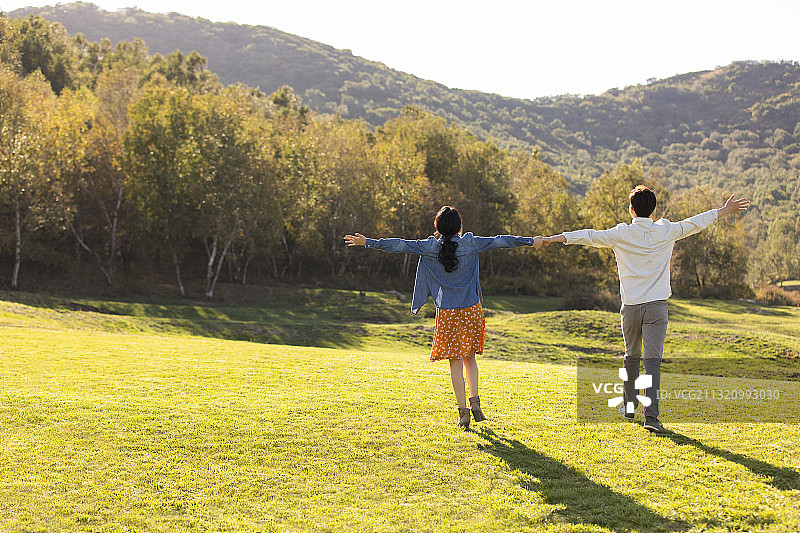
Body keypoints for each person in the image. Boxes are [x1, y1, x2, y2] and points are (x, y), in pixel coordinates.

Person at [540, 187, 749, 433]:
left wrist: (554, 238)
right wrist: (725, 210)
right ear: (654, 210)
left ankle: (629, 407)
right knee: (652, 363)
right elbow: (696, 223)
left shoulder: (621, 234)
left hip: (630, 307)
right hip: (657, 308)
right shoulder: (666, 230)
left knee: (631, 356)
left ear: (631, 209)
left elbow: (588, 235)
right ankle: (651, 418)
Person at [344, 206, 543, 429]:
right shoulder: (470, 243)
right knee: (470, 358)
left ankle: (463, 413)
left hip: (447, 314)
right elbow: (502, 241)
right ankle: (475, 404)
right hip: (471, 311)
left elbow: (399, 245)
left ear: (437, 227)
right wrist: (530, 240)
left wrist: (368, 242)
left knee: (455, 364)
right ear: (459, 226)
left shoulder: (429, 247)